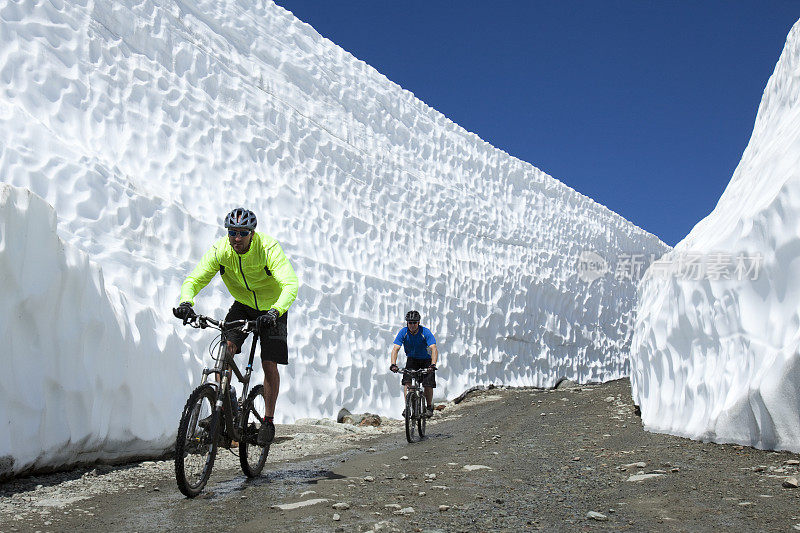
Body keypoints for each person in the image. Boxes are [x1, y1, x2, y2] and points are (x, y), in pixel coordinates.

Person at [173, 207, 298, 446]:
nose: (236, 238)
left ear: (252, 233)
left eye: (242, 233)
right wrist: (186, 302)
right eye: (232, 232)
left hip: (273, 307)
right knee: (224, 350)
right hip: (243, 304)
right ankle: (227, 406)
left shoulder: (267, 248)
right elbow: (195, 278)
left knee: (268, 362)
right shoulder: (222, 251)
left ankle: (268, 421)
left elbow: (290, 284)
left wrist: (274, 311)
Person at [389, 310, 439, 417]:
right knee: (407, 382)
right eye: (410, 323)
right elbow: (395, 348)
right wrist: (393, 364)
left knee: (428, 383)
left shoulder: (425, 332)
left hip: (426, 360)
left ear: (418, 322)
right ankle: (408, 407)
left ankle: (429, 406)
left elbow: (433, 348)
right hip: (412, 359)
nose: (412, 325)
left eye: (414, 322)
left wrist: (433, 364)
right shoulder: (404, 332)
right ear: (407, 323)